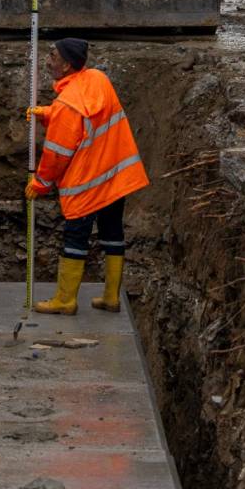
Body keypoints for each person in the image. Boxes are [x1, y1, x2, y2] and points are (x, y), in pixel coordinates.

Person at [25, 37, 149, 315]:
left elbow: (56, 154)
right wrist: (49, 113)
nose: (47, 61)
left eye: (53, 56)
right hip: (115, 176)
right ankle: (111, 298)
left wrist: (40, 184)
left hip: (87, 184)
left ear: (67, 66)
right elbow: (85, 114)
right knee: (112, 232)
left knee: (75, 238)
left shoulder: (68, 103)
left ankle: (65, 300)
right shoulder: (97, 79)